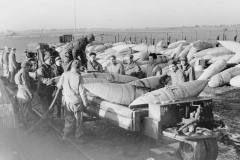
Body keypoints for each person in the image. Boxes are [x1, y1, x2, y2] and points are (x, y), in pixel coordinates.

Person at [57, 60, 88, 141]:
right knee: (78, 120)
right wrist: (85, 102)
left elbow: (59, 86)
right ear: (78, 68)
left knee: (68, 118)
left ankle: (65, 134)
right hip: (76, 102)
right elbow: (82, 91)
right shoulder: (78, 76)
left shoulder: (64, 74)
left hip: (67, 101)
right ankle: (78, 135)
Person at [15, 60, 33, 126]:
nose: (29, 68)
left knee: (21, 107)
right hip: (24, 93)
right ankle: (24, 122)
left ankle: (22, 121)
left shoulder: (18, 72)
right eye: (29, 66)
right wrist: (30, 94)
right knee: (26, 107)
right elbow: (26, 85)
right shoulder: (24, 73)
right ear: (26, 66)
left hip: (19, 92)